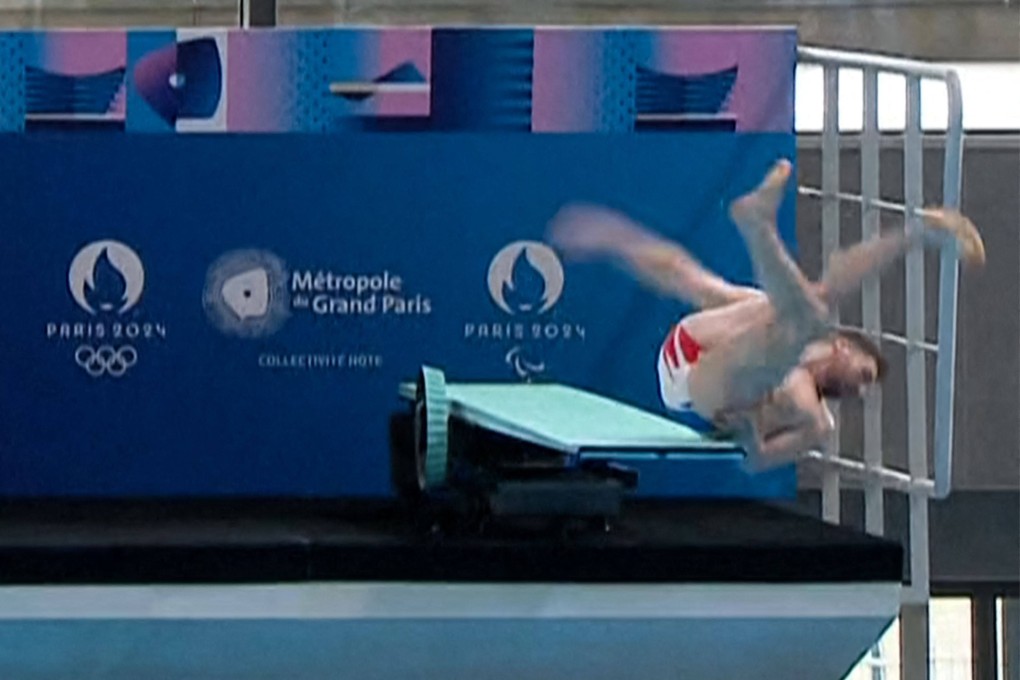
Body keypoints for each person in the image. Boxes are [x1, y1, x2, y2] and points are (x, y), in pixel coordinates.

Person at [547, 159, 985, 470]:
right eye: (865, 375)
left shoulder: (816, 422)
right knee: (805, 305)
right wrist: (610, 239)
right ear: (844, 347)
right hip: (695, 347)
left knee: (800, 320)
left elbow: (756, 461)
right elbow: (686, 278)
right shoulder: (782, 320)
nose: (861, 391)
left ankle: (759, 226)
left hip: (698, 396)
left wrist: (748, 430)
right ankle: (916, 231)